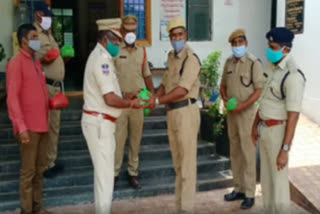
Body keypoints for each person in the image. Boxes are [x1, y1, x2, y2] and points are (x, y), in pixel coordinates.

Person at [81, 18, 144, 214]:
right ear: (106, 39)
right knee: (105, 176)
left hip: (101, 121)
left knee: (104, 175)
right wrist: (130, 103)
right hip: (100, 123)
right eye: (116, 41)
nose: (119, 45)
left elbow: (110, 93)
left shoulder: (103, 57)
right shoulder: (102, 60)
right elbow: (109, 98)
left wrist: (126, 96)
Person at [149, 16, 201, 214]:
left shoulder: (191, 59)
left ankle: (187, 208)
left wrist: (156, 101)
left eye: (180, 34)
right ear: (169, 37)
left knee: (187, 165)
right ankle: (179, 207)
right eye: (173, 35)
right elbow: (164, 84)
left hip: (186, 112)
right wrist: (154, 96)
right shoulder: (171, 56)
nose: (177, 38)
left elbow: (181, 90)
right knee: (178, 164)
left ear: (185, 35)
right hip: (172, 113)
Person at [252, 27, 306, 214]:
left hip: (278, 132)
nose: (269, 50)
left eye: (272, 47)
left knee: (279, 184)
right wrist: (254, 126)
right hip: (265, 129)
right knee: (266, 180)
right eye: (268, 45)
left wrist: (284, 150)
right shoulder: (270, 66)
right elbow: (265, 100)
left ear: (286, 49)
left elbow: (294, 116)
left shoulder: (293, 76)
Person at [6, 23, 51, 214]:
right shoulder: (16, 63)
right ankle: (26, 210)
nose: (37, 40)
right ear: (24, 40)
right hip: (29, 127)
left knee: (40, 170)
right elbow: (12, 97)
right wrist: (20, 126)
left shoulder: (35, 61)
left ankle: (37, 207)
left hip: (42, 123)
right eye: (34, 36)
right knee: (28, 172)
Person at [219, 28, 264, 209]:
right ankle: (238, 188)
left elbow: (259, 90)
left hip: (247, 115)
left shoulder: (254, 63)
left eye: (240, 42)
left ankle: (250, 193)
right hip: (232, 114)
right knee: (235, 151)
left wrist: (242, 106)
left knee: (248, 153)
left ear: (246, 43)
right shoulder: (228, 62)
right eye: (234, 43)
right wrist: (224, 98)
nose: (237, 46)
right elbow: (222, 85)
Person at [114, 14, 155, 189]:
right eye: (127, 30)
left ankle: (133, 173)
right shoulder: (114, 50)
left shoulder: (142, 51)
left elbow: (147, 75)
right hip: (121, 103)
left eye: (133, 30)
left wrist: (152, 96)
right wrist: (122, 94)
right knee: (118, 141)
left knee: (135, 140)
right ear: (122, 31)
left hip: (139, 103)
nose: (130, 33)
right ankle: (114, 174)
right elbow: (108, 77)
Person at [32, 1, 65, 178]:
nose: (49, 19)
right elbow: (33, 61)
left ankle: (50, 161)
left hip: (56, 87)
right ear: (38, 15)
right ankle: (44, 164)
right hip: (45, 86)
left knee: (54, 126)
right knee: (45, 125)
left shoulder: (49, 34)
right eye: (46, 16)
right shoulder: (34, 35)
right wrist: (45, 59)